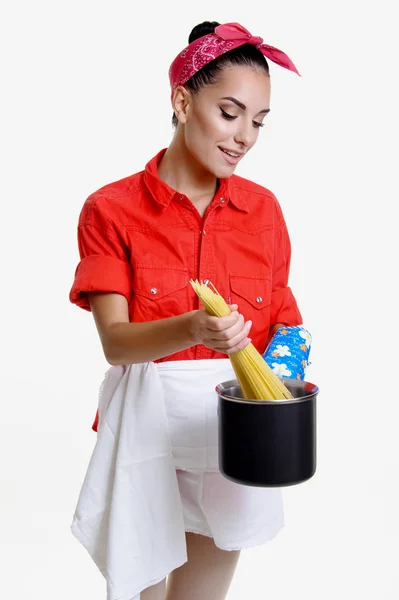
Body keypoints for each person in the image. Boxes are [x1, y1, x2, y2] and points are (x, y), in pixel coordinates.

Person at [69, 20, 303, 600]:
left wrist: (282, 399)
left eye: (259, 121)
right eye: (230, 112)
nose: (244, 135)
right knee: (141, 587)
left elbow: (286, 324)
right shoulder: (111, 209)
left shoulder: (263, 211)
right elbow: (116, 343)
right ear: (182, 100)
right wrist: (192, 327)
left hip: (233, 423)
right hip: (147, 421)